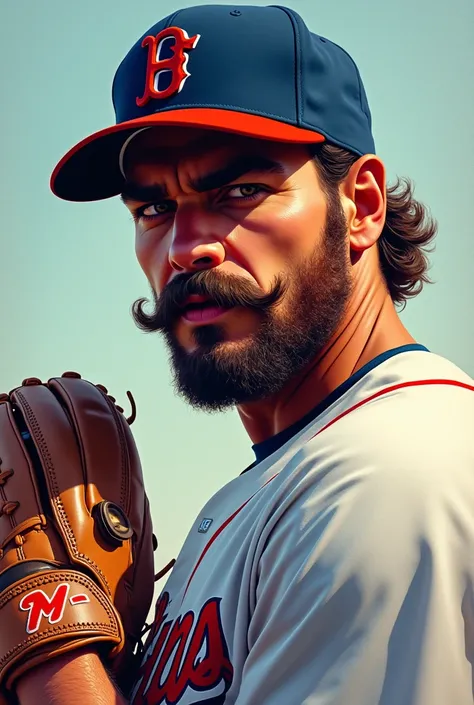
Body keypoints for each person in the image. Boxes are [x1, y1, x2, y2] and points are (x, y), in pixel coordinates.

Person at [18, 4, 474, 704]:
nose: (184, 247)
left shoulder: (390, 475)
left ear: (362, 203)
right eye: (153, 209)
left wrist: (54, 661)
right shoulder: (278, 485)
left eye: (239, 190)